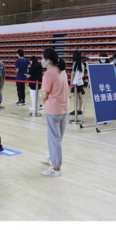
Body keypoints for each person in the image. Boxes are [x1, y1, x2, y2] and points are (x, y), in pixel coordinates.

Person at [40, 48, 69, 177]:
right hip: (64, 109)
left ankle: (56, 168)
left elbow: (44, 95)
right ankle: (52, 157)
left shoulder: (48, 74)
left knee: (54, 139)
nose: (42, 60)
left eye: (43, 58)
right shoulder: (62, 71)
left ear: (48, 60)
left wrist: (46, 104)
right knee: (58, 139)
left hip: (53, 109)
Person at [70, 51, 87, 116]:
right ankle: (79, 110)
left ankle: (76, 110)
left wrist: (71, 83)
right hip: (80, 82)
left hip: (75, 82)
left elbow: (73, 73)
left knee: (76, 97)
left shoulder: (75, 63)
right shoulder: (82, 63)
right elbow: (82, 74)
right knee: (79, 96)